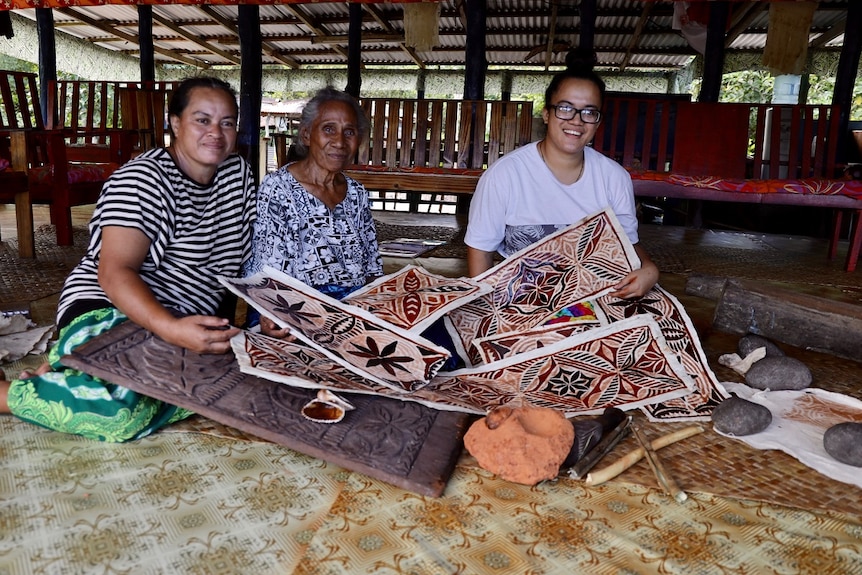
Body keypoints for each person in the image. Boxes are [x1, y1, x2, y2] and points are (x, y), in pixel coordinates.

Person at [0, 76, 256, 442]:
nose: (216, 132)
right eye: (202, 119)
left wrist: (262, 319)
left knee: (230, 385)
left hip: (181, 322)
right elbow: (114, 272)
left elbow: (239, 264)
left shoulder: (238, 175)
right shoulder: (143, 179)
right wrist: (171, 329)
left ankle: (68, 376)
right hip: (110, 307)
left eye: (227, 122)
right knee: (122, 412)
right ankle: (8, 395)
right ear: (175, 123)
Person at [465, 49, 659, 298]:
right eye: (565, 108)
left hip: (593, 296)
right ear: (547, 114)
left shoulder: (614, 177)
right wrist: (487, 309)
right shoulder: (505, 175)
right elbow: (480, 250)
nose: (577, 121)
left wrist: (650, 269)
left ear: (598, 122)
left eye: (589, 112)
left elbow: (628, 245)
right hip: (521, 297)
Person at [243, 87, 382, 336]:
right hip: (291, 305)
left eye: (349, 132)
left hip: (351, 307)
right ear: (306, 135)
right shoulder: (278, 188)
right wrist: (271, 310)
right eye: (328, 128)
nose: (339, 142)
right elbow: (266, 267)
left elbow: (372, 268)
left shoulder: (357, 194)